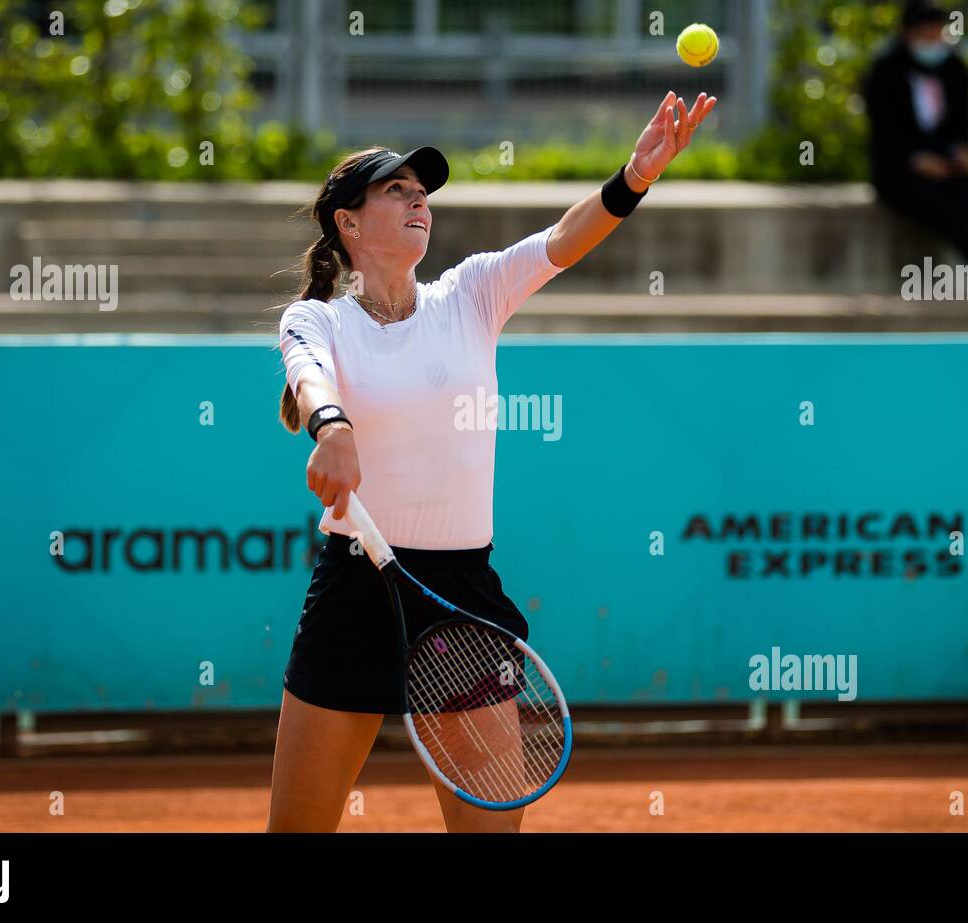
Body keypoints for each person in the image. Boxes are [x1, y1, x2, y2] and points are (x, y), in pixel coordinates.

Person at [267, 91, 717, 833]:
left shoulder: (473, 292)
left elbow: (564, 240)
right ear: (348, 224)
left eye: (422, 192)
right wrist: (332, 426)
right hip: (355, 590)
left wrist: (634, 176)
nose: (419, 202)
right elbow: (307, 371)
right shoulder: (318, 318)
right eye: (396, 191)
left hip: (462, 598)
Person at [864, 0, 968, 276]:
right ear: (907, 34)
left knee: (960, 188)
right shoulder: (884, 73)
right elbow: (885, 132)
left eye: (937, 34)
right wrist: (916, 160)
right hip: (900, 170)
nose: (933, 42)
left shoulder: (954, 70)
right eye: (926, 35)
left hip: (946, 164)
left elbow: (961, 124)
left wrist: (960, 151)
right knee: (935, 199)